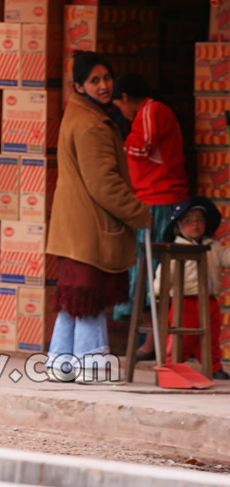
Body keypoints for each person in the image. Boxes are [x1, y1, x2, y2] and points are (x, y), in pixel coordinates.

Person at [46, 51, 150, 384]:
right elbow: (104, 185)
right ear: (79, 85)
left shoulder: (80, 115)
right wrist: (139, 214)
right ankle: (90, 367)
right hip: (89, 229)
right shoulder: (91, 124)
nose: (104, 85)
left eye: (107, 78)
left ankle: (60, 363)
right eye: (95, 80)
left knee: (74, 300)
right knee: (87, 298)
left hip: (77, 229)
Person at [110, 71, 190, 359]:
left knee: (150, 274)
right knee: (145, 274)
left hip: (159, 201)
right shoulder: (151, 113)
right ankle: (152, 342)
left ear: (126, 98)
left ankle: (154, 343)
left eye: (120, 108)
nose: (125, 115)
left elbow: (139, 147)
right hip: (151, 200)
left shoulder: (152, 110)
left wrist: (113, 143)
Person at [154, 198, 230, 379]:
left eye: (199, 220)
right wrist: (158, 292)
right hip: (185, 302)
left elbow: (227, 258)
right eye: (189, 220)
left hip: (209, 300)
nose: (195, 224)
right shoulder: (175, 249)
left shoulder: (213, 247)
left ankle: (213, 367)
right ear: (178, 227)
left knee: (210, 338)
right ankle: (173, 365)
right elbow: (165, 272)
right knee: (181, 337)